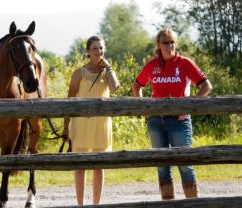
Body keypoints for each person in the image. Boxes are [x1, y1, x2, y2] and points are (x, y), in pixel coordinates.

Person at [132, 29, 212, 200]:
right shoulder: (152, 65)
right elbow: (137, 86)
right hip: (155, 121)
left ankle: (192, 204)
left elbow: (206, 86)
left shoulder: (185, 63)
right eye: (165, 43)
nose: (169, 46)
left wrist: (188, 108)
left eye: (172, 42)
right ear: (158, 45)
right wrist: (144, 109)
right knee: (162, 164)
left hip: (179, 120)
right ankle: (167, 203)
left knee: (184, 163)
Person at [62, 35, 119, 206]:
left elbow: (114, 87)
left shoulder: (107, 72)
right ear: (88, 51)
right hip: (81, 125)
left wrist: (108, 67)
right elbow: (69, 102)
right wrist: (65, 128)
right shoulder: (78, 73)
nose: (98, 51)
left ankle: (96, 204)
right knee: (80, 166)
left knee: (99, 166)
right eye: (95, 48)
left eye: (101, 48)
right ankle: (80, 204)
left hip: (101, 125)